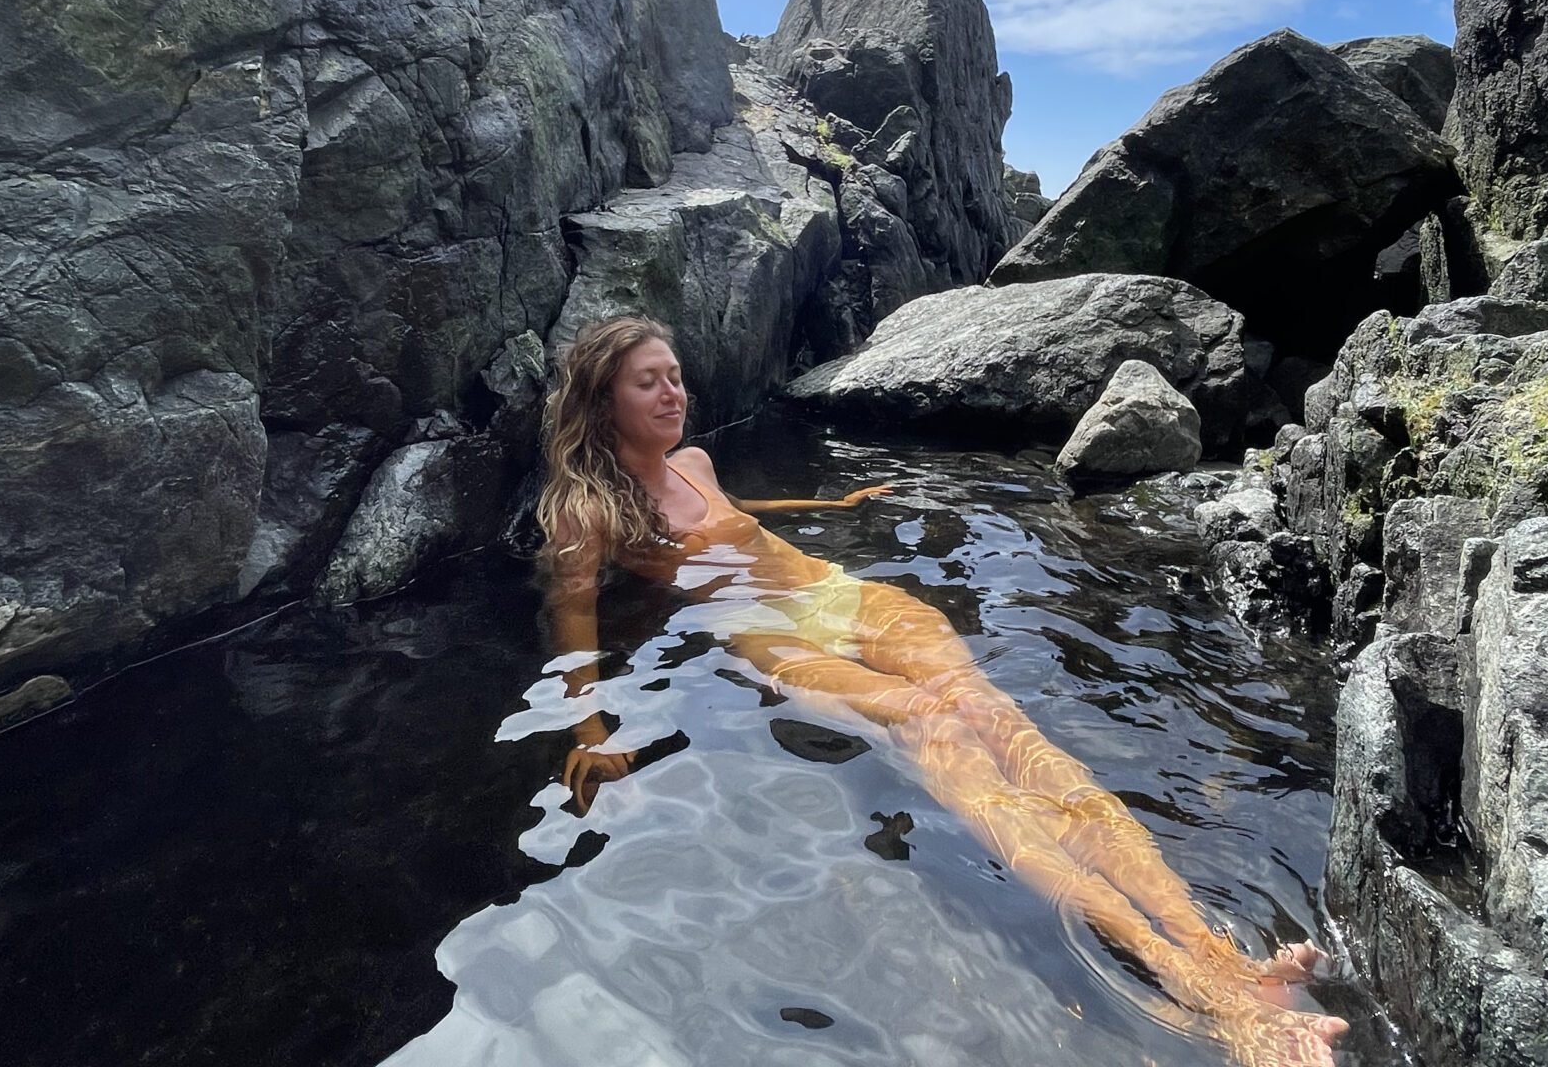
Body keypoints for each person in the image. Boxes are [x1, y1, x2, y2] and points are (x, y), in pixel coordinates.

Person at [535, 316, 1350, 1067]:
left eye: (676, 376)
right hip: (770, 635)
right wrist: (589, 730)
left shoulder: (696, 463)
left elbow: (740, 512)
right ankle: (1198, 990)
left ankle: (1217, 953)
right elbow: (573, 622)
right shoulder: (585, 511)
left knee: (997, 717)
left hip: (841, 595)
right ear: (604, 400)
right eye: (649, 381)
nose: (673, 393)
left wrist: (834, 502)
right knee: (933, 723)